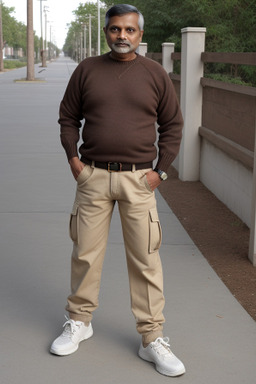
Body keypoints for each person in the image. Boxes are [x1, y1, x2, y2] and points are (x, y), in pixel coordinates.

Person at [50, 4, 185, 377]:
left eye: (129, 30)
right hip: (92, 177)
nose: (121, 36)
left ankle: (151, 338)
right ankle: (80, 321)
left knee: (145, 259)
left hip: (139, 181)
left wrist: (161, 171)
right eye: (115, 29)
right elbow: (67, 116)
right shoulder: (87, 70)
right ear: (107, 32)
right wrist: (73, 160)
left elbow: (172, 125)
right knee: (86, 254)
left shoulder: (155, 75)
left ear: (141, 35)